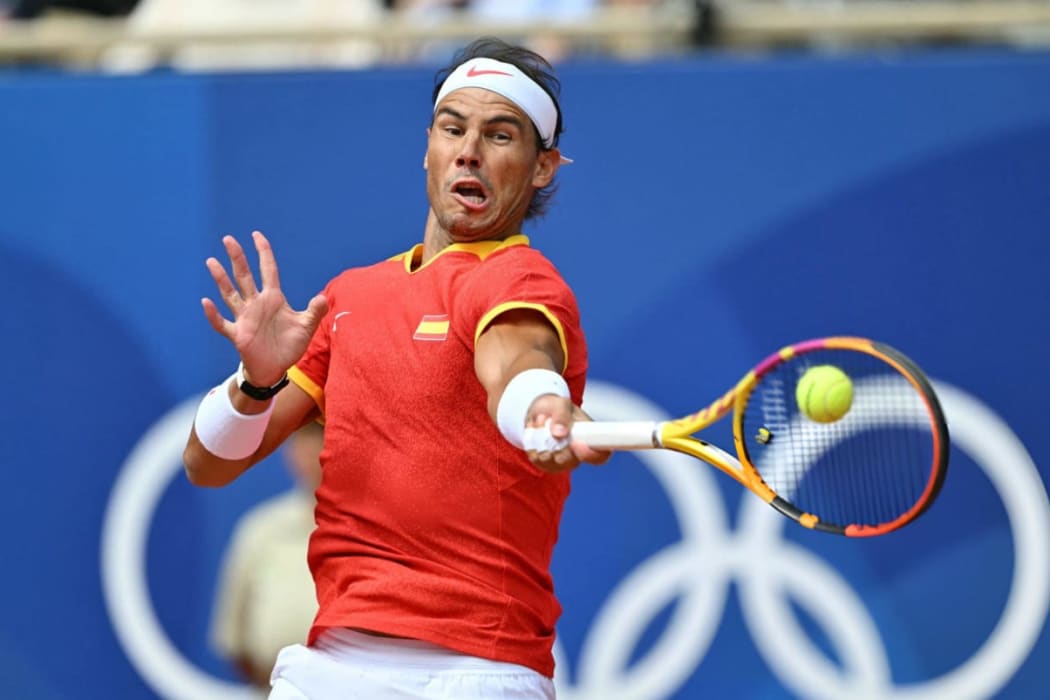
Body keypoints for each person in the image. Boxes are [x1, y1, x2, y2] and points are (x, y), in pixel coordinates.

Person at [183, 36, 608, 699]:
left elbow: (516, 362)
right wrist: (255, 383)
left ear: (542, 167)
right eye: (453, 128)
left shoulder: (520, 280)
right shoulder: (348, 296)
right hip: (332, 665)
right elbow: (207, 466)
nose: (470, 150)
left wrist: (539, 407)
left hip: (478, 672)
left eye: (500, 135)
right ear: (428, 147)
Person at [209, 421, 324, 692]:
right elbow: (236, 643)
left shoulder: (380, 531)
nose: (314, 449)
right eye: (304, 438)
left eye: (322, 436)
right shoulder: (261, 531)